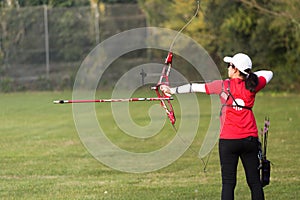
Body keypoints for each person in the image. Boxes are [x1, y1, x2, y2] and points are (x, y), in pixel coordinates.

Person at [160, 53, 273, 200]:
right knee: (254, 183)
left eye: (230, 66)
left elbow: (195, 87)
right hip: (249, 139)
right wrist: (248, 75)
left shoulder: (223, 85)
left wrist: (172, 90)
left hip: (228, 141)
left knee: (228, 183)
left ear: (236, 69)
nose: (228, 68)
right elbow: (269, 73)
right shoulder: (253, 85)